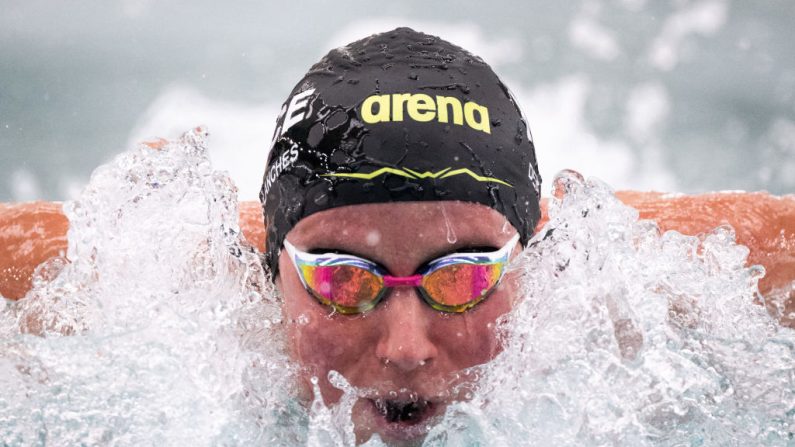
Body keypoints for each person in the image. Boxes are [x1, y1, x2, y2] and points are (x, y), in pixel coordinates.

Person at [1, 28, 794, 445]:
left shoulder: (611, 291)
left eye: (461, 277)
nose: (407, 347)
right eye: (344, 279)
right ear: (269, 264)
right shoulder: (175, 285)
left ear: (529, 260)